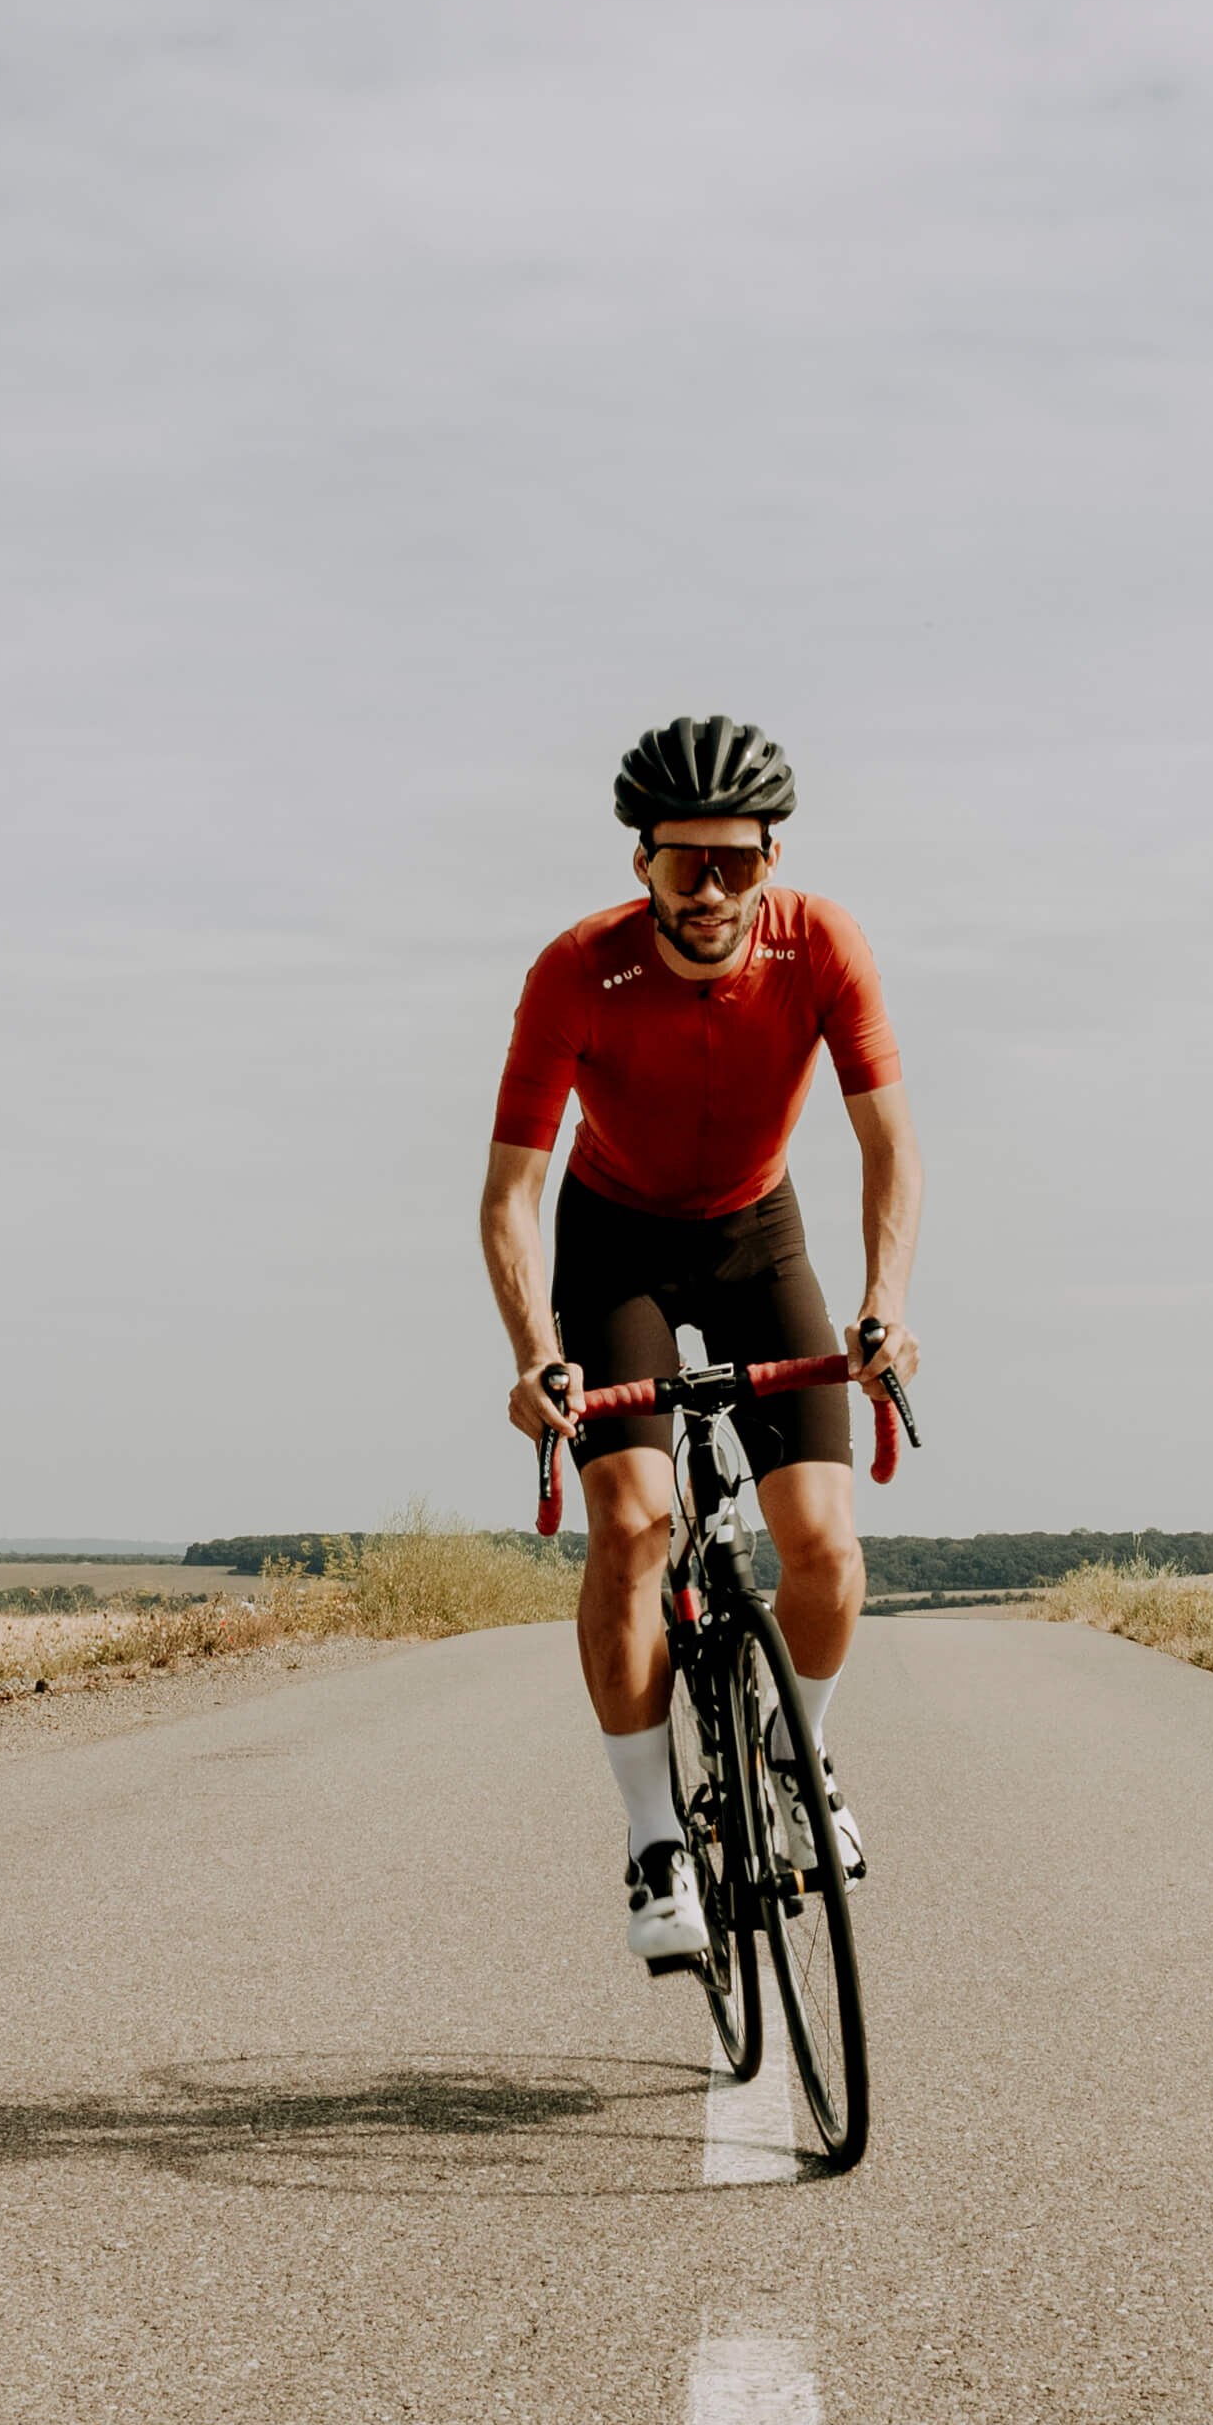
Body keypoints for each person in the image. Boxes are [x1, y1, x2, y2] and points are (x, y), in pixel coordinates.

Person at [481, 717, 924, 1962]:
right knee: (630, 1522)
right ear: (643, 867)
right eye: (688, 865)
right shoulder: (575, 970)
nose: (714, 890)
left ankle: (799, 1753)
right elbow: (511, 1192)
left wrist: (884, 1302)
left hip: (757, 1234)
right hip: (613, 1239)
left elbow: (888, 1142)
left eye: (738, 862)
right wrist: (532, 1352)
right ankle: (650, 1837)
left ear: (770, 858)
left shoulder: (821, 944)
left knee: (824, 1547)